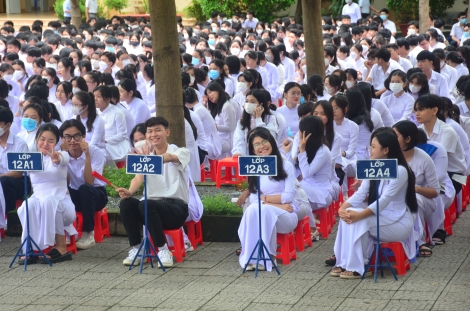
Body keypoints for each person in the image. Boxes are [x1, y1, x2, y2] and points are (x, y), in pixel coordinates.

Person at [332, 129, 418, 279]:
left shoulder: (401, 170)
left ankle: (360, 265)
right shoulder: (374, 165)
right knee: (348, 215)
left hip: (397, 222)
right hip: (380, 217)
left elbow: (384, 201)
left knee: (360, 219)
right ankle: (343, 262)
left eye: (373, 146)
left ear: (386, 150)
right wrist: (343, 208)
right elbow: (360, 193)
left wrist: (359, 215)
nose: (369, 150)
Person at [117, 116, 190, 268]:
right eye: (149, 131)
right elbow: (138, 179)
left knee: (148, 204)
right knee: (127, 204)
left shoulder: (181, 151)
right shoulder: (146, 157)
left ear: (167, 132)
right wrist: (129, 192)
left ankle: (163, 250)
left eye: (158, 130)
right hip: (150, 210)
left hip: (176, 209)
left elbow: (170, 157)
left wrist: (151, 159)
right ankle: (137, 249)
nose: (153, 134)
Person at [238, 127, 298, 271]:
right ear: (252, 150)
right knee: (254, 209)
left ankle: (269, 255)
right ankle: (252, 256)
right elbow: (253, 199)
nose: (261, 146)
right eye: (256, 144)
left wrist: (264, 198)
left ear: (271, 142)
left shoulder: (286, 166)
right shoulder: (254, 169)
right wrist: (278, 205)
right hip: (273, 210)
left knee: (261, 209)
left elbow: (289, 196)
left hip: (287, 215)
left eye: (264, 141)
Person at [17, 123, 77, 264]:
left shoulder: (62, 155)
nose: (45, 144)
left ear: (57, 142)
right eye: (42, 139)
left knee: (50, 201)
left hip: (63, 205)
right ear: (36, 140)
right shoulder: (32, 158)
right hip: (39, 201)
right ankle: (29, 248)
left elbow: (63, 159)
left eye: (51, 141)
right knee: (28, 204)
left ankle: (61, 247)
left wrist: (57, 159)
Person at [393, 121, 439, 256]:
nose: (392, 140)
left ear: (408, 139)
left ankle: (420, 241)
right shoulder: (388, 156)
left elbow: (435, 191)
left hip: (423, 200)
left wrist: (415, 189)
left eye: (396, 136)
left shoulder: (424, 159)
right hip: (394, 199)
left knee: (414, 199)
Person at [60, 120, 108, 250]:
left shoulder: (96, 152)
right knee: (59, 192)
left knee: (85, 189)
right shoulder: (61, 155)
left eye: (76, 136)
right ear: (62, 139)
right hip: (75, 195)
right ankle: (64, 233)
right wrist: (64, 158)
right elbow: (65, 182)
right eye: (68, 137)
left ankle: (89, 234)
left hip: (96, 194)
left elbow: (89, 181)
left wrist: (87, 156)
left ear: (83, 137)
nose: (72, 140)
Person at [415, 94, 467, 196]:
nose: (417, 113)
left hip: (454, 175)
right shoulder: (419, 131)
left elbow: (440, 161)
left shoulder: (447, 131)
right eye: (416, 110)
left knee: (426, 194)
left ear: (434, 110)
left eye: (421, 110)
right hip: (431, 172)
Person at [297, 116, 333, 239]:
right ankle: (303, 227)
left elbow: (307, 173)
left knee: (299, 191)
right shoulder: (306, 146)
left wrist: (302, 151)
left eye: (301, 131)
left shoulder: (324, 150)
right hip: (307, 187)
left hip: (322, 192)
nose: (299, 133)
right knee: (296, 191)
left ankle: (312, 228)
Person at [0, 107, 29, 237]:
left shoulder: (19, 144)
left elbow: (18, 173)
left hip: (19, 182)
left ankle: (12, 221)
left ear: (8, 125)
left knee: (5, 182)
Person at [232, 89, 278, 156]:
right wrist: (239, 153)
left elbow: (269, 138)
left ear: (261, 104)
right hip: (247, 157)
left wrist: (258, 119)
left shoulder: (270, 118)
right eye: (247, 101)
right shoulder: (242, 121)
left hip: (266, 155)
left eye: (252, 102)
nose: (248, 104)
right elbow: (239, 139)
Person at [94, 85, 129, 164]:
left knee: (99, 151)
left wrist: (106, 141)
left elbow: (122, 134)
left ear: (107, 99)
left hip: (115, 145)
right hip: (99, 143)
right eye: (94, 96)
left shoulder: (117, 113)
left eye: (98, 96)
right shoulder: (95, 111)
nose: (95, 99)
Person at [204, 81, 236, 158]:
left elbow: (229, 128)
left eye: (211, 92)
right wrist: (205, 106)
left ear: (218, 90)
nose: (209, 95)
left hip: (226, 141)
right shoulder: (215, 107)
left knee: (203, 148)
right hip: (216, 139)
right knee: (201, 144)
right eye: (208, 94)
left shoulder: (227, 106)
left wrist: (215, 127)